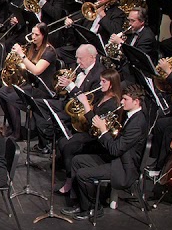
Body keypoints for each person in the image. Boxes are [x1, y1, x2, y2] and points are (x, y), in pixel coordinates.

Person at [63, 84, 149, 220]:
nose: (121, 102)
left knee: (82, 174)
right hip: (117, 159)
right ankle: (81, 203)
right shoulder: (130, 115)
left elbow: (115, 150)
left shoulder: (137, 123)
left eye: (125, 99)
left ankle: (94, 208)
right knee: (77, 161)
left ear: (136, 101)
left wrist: (103, 130)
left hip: (124, 168)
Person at [56, 67, 123, 191]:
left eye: (104, 81)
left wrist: (85, 104)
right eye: (100, 80)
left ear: (111, 84)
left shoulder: (113, 104)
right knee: (63, 141)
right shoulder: (102, 95)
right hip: (90, 134)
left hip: (98, 140)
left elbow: (96, 123)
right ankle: (69, 176)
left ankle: (71, 183)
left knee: (70, 147)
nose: (100, 84)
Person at [0, 23, 59, 143]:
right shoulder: (32, 47)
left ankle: (17, 133)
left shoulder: (49, 51)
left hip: (43, 89)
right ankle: (13, 127)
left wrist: (21, 55)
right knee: (2, 92)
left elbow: (36, 71)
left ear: (44, 35)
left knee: (11, 97)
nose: (33, 37)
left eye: (37, 35)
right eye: (32, 34)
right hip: (31, 85)